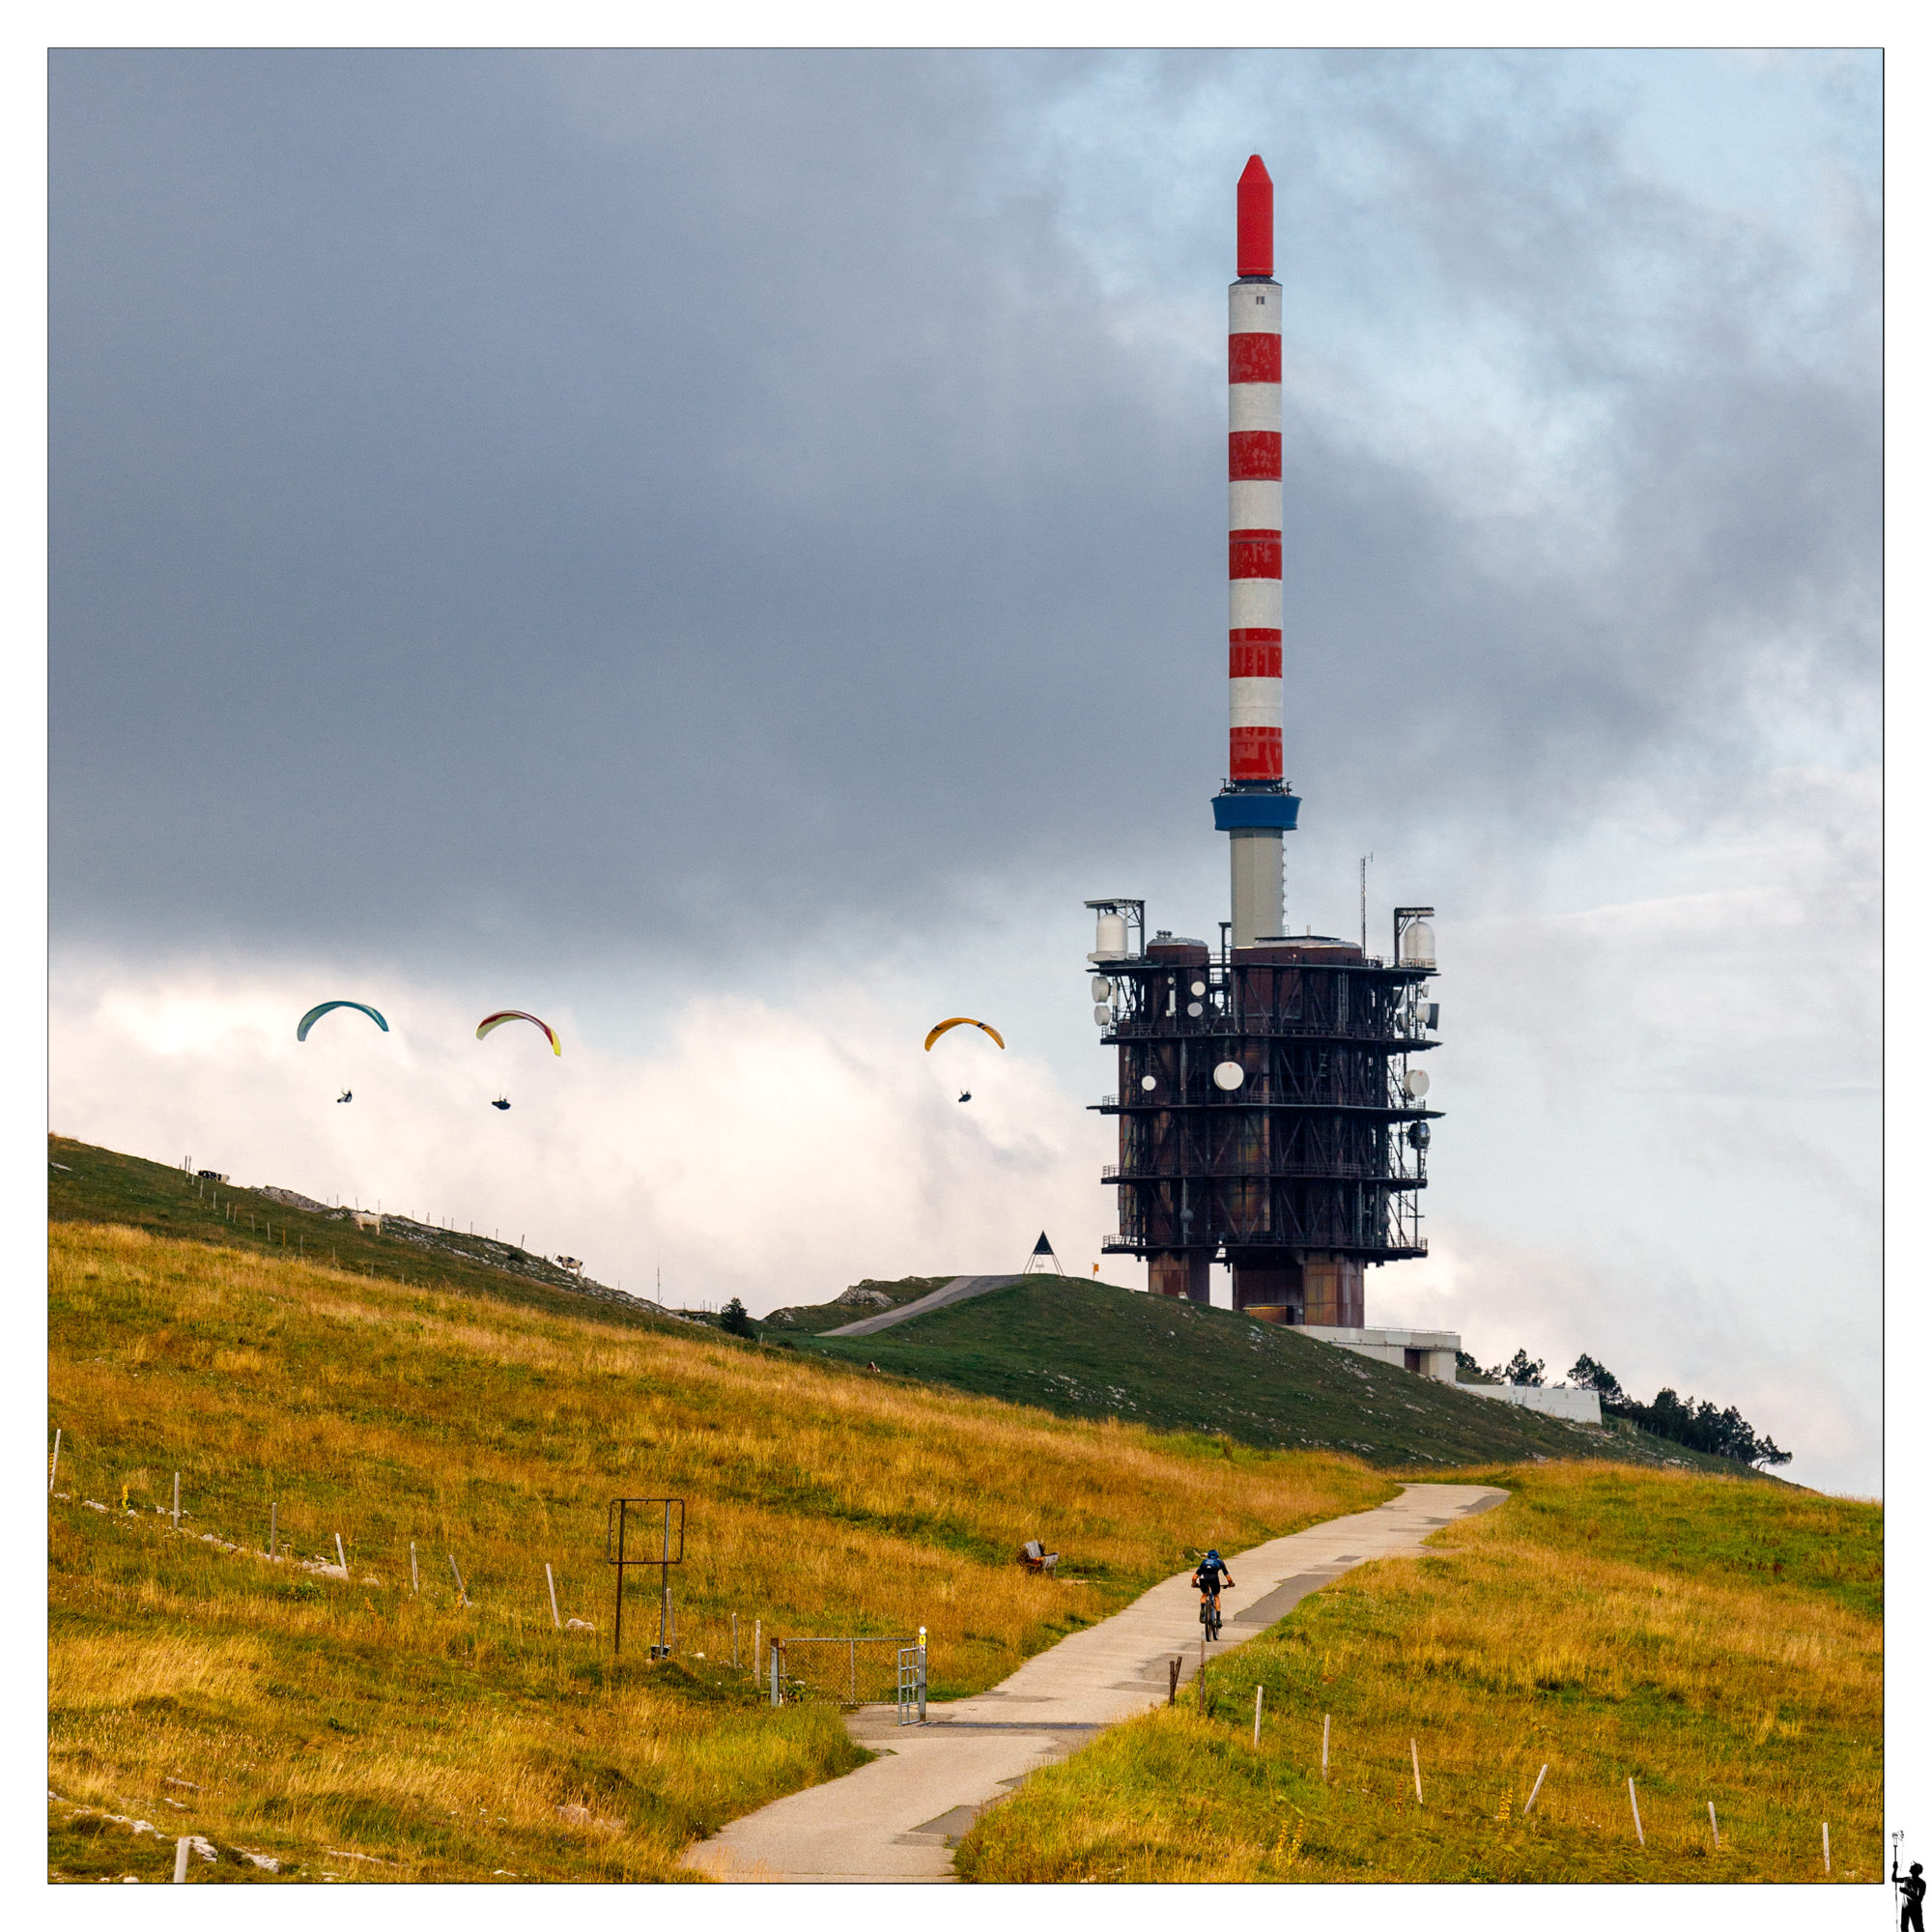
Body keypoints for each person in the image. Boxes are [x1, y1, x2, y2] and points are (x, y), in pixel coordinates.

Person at [1193, 1548, 1235, 1637]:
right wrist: (1230, 1584)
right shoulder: (1220, 1562)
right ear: (1217, 1556)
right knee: (1216, 1596)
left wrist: (1194, 1584)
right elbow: (1229, 1579)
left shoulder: (1204, 1562)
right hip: (1214, 1579)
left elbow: (1194, 1578)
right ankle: (1218, 1620)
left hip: (1203, 1579)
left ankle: (1203, 1610)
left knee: (1204, 1594)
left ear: (1208, 1556)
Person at [1897, 1856, 1925, 1932]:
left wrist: (1906, 1892)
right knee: (1904, 1928)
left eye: (1913, 1866)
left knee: (1918, 1929)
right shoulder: (1906, 1879)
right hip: (1905, 1908)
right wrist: (1895, 1869)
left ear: (1916, 1870)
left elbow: (1919, 1899)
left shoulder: (1922, 1883)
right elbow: (1894, 1879)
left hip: (1915, 1909)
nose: (1911, 1866)